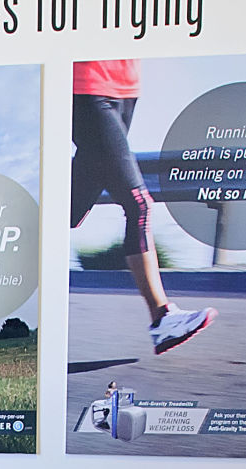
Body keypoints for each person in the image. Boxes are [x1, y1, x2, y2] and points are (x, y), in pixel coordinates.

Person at [71, 60, 217, 355]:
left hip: (125, 89)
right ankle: (162, 318)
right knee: (138, 204)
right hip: (86, 87)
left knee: (66, 212)